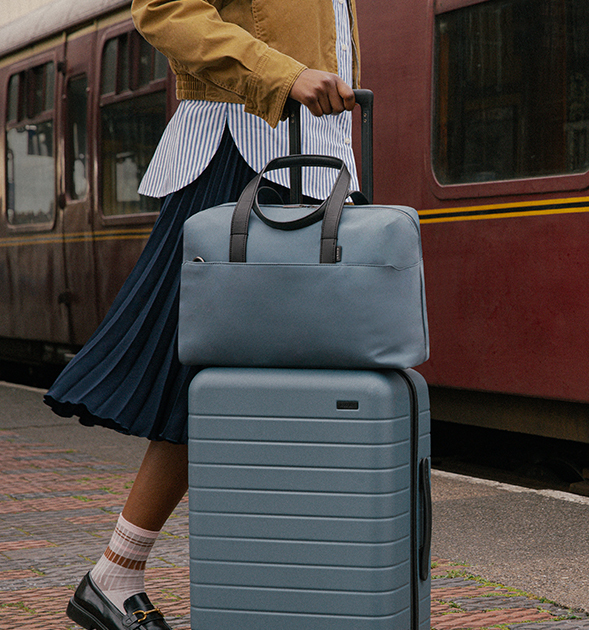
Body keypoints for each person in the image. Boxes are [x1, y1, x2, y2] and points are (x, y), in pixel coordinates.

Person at [46, 1, 362, 628]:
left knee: (279, 384)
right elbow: (163, 10)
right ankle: (124, 570)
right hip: (241, 150)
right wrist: (280, 73)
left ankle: (137, 572)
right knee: (210, 381)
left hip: (313, 155)